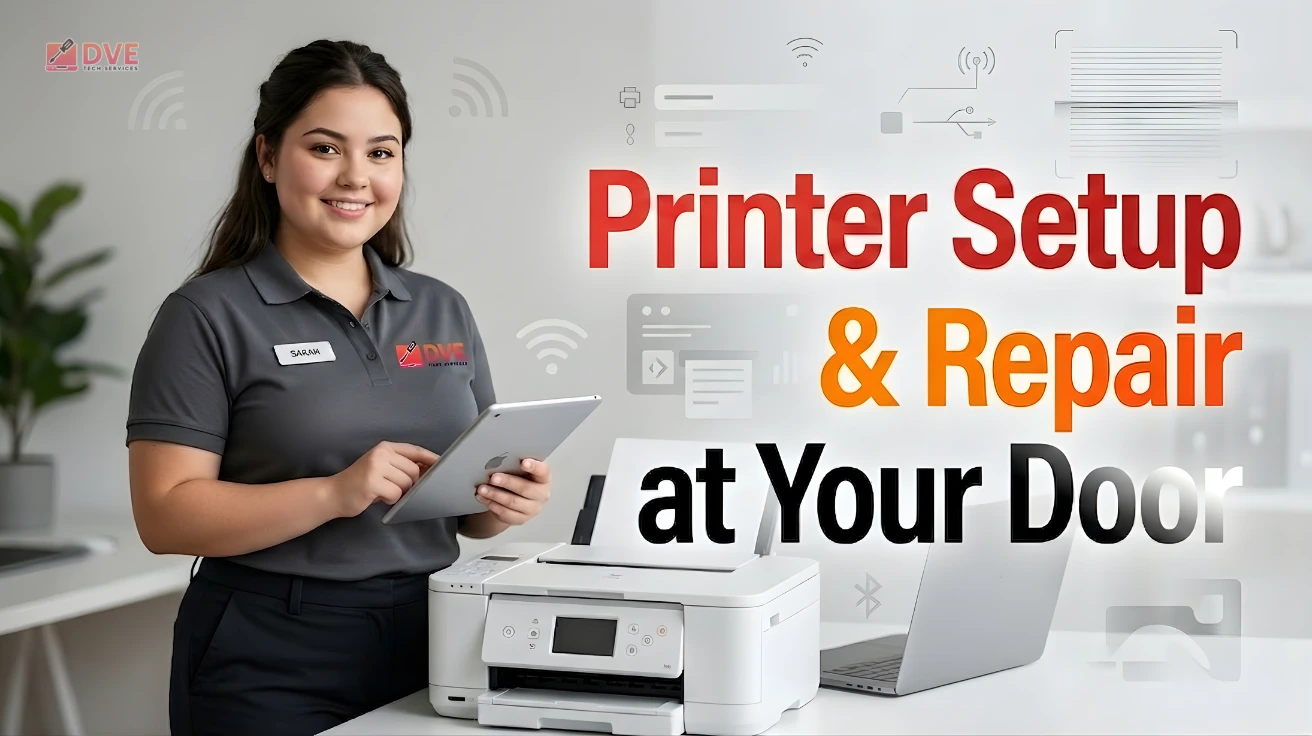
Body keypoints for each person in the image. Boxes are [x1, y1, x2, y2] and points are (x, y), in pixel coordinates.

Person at [125, 39, 551, 736]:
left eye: (381, 153)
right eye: (326, 148)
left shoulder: (441, 307)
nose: (357, 176)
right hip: (269, 653)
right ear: (267, 156)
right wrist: (335, 493)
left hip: (435, 632)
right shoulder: (205, 316)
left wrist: (503, 502)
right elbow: (165, 516)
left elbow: (465, 515)